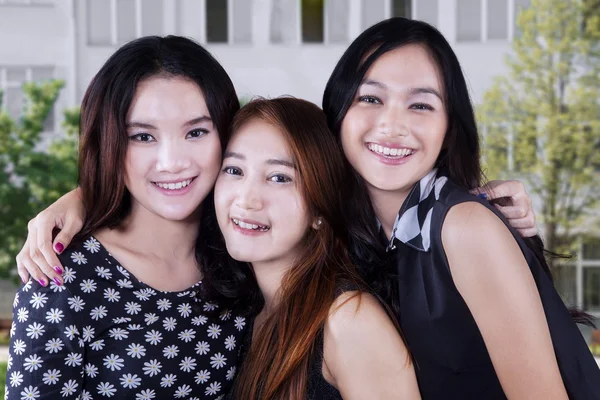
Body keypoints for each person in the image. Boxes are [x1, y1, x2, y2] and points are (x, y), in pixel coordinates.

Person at [322, 17, 600, 399]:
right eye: (370, 98)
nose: (392, 124)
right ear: (338, 113)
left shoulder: (463, 227)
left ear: (449, 129)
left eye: (421, 104)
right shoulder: (362, 236)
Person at [6, 36, 246, 399]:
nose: (172, 162)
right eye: (143, 137)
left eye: (196, 132)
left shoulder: (245, 259)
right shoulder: (62, 282)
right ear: (111, 144)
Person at [214, 97, 420, 399]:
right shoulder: (249, 313)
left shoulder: (349, 320)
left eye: (280, 177)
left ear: (319, 211)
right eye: (234, 170)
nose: (247, 199)